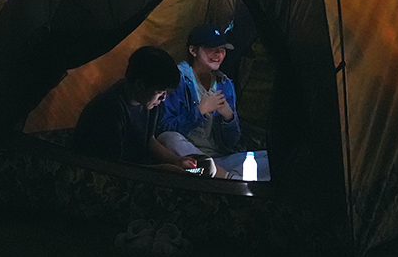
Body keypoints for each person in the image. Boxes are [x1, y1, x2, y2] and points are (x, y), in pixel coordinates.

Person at [71, 46, 211, 176]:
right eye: (160, 92)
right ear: (140, 85)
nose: (163, 98)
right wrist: (163, 171)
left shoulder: (148, 103)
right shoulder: (109, 109)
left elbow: (148, 141)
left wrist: (176, 161)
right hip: (101, 177)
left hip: (133, 169)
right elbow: (112, 169)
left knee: (207, 168)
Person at [158, 24, 270, 181]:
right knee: (168, 138)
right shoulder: (178, 80)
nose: (219, 54)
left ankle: (225, 176)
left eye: (222, 49)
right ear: (193, 50)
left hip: (221, 158)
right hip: (191, 160)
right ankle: (228, 178)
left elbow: (231, 143)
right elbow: (163, 128)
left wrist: (229, 118)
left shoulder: (225, 84)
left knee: (268, 158)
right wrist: (200, 111)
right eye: (212, 48)